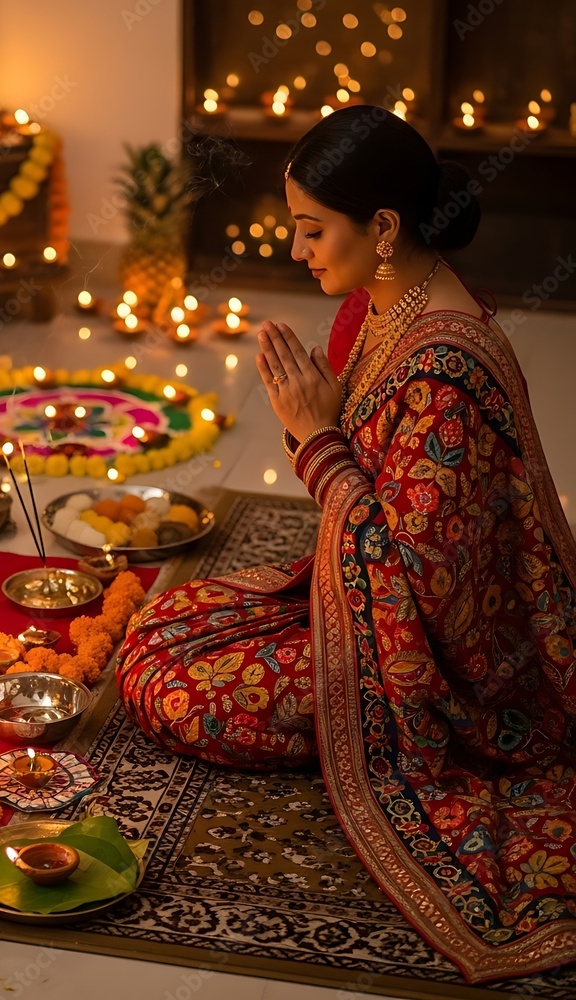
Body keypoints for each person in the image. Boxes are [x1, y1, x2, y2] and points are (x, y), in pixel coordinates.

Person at [114, 106, 576, 983]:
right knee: (163, 623)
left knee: (177, 690)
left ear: (386, 228)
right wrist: (317, 432)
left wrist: (317, 442)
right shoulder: (387, 306)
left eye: (311, 230)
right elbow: (373, 514)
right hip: (369, 614)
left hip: (448, 676)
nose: (299, 251)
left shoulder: (444, 370)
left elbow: (423, 596)